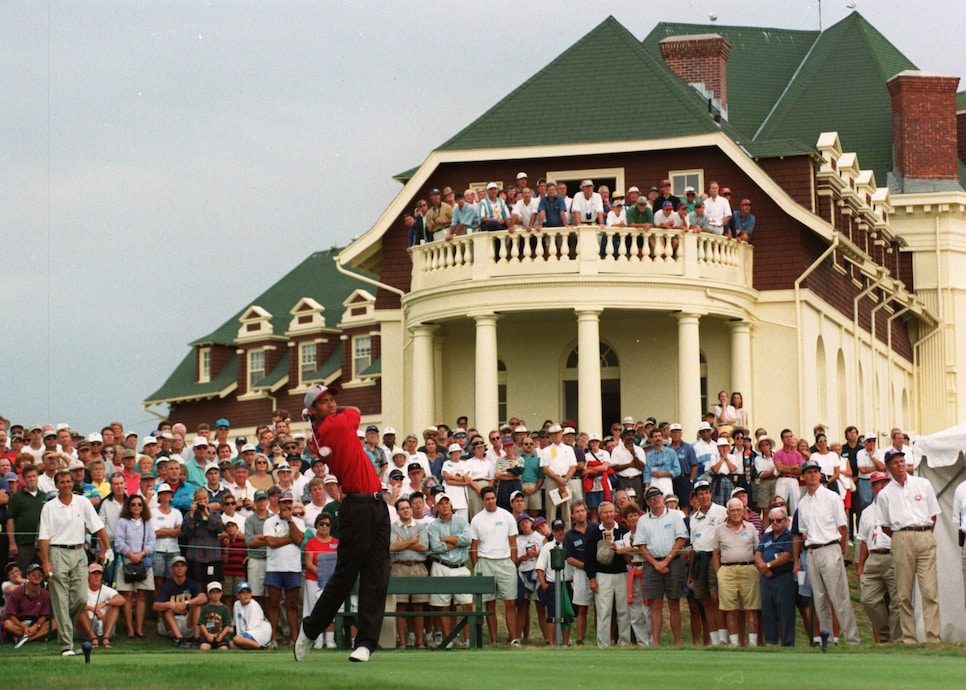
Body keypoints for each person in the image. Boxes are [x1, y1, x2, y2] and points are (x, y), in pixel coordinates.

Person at [295, 383, 390, 664]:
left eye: (333, 399)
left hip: (377, 503)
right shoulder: (333, 427)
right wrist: (316, 417)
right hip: (358, 507)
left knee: (377, 575)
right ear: (314, 411)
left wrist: (314, 415)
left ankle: (365, 644)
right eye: (324, 402)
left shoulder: (325, 428)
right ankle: (311, 629)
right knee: (346, 576)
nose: (333, 404)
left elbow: (348, 412)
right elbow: (356, 411)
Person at [38, 469, 111, 656]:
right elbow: (44, 538)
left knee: (80, 598)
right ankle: (66, 646)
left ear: (73, 483)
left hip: (79, 552)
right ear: (56, 485)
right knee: (60, 599)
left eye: (68, 481)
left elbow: (98, 527)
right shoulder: (49, 507)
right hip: (57, 552)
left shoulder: (83, 502)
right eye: (61, 482)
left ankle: (64, 624)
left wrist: (107, 549)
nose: (66, 485)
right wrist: (46, 562)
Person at [876, 449, 941, 643]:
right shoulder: (885, 494)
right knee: (904, 592)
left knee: (930, 590)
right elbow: (885, 526)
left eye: (902, 460)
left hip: (924, 534)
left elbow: (933, 515)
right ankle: (909, 638)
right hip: (901, 537)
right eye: (895, 462)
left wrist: (925, 533)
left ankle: (933, 637)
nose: (900, 465)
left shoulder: (923, 484)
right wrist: (901, 536)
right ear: (888, 468)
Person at [793, 459, 860, 645]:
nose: (813, 475)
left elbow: (843, 528)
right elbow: (803, 531)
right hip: (813, 551)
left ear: (820, 474)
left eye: (815, 471)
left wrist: (842, 552)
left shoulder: (831, 497)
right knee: (820, 599)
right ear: (803, 476)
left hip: (831, 547)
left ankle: (852, 639)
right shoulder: (803, 503)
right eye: (809, 472)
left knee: (839, 597)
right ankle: (828, 639)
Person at [634, 487, 688, 646]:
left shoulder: (675, 516)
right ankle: (655, 643)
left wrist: (665, 562)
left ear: (662, 498)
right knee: (655, 603)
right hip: (652, 564)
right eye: (652, 498)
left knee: (674, 602)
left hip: (673, 562)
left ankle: (678, 643)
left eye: (658, 496)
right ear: (647, 502)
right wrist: (656, 563)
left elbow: (681, 540)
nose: (655, 499)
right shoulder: (643, 520)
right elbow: (641, 546)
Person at [470, 486, 519, 645]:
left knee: (510, 602)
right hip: (485, 562)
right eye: (487, 499)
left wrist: (512, 562)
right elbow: (474, 546)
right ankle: (494, 640)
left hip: (505, 562)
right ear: (483, 500)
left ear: (496, 498)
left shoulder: (507, 516)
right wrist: (477, 565)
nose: (490, 501)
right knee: (489, 603)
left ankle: (513, 638)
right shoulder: (477, 519)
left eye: (492, 498)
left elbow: (513, 542)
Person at [856, 470, 901, 643]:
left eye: (884, 483)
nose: (881, 487)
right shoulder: (867, 511)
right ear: (872, 488)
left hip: (892, 553)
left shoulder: (896, 506)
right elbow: (863, 540)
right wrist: (860, 564)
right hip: (873, 556)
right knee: (868, 599)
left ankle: (897, 639)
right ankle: (884, 635)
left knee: (897, 600)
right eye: (877, 484)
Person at [713, 498, 761, 647]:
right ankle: (734, 644)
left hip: (748, 569)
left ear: (743, 511)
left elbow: (757, 551)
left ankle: (752, 644)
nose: (735, 513)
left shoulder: (751, 527)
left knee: (751, 609)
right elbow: (716, 554)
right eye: (732, 510)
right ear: (727, 512)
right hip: (727, 571)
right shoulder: (719, 529)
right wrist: (719, 573)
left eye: (738, 510)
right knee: (730, 609)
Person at [688, 479, 729, 646]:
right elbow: (693, 546)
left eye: (706, 492)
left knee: (715, 598)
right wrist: (690, 573)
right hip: (699, 559)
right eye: (700, 493)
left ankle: (723, 638)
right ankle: (713, 639)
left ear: (711, 494)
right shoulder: (693, 517)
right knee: (704, 599)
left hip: (714, 557)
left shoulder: (721, 511)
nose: (704, 496)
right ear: (696, 497)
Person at [583, 501, 630, 647]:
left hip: (622, 573)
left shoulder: (623, 531)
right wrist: (591, 578)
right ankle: (602, 643)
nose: (609, 515)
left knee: (623, 610)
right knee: (603, 611)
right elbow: (588, 559)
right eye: (605, 512)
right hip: (602, 575)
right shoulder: (593, 533)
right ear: (600, 515)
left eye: (611, 512)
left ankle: (625, 643)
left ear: (615, 512)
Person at [264, 489, 305, 648]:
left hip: (292, 568)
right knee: (273, 604)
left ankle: (294, 638)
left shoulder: (298, 522)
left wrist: (290, 521)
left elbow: (300, 540)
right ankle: (273, 638)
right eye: (284, 502)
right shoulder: (270, 521)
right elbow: (271, 543)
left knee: (292, 605)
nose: (286, 505)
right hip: (274, 568)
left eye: (289, 502)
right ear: (278, 503)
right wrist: (290, 539)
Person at [390, 496, 429, 648]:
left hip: (418, 566)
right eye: (402, 508)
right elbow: (392, 547)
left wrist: (403, 544)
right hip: (399, 567)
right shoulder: (393, 527)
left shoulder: (420, 527)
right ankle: (403, 642)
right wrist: (413, 541)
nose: (406, 510)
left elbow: (424, 547)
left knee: (419, 606)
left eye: (407, 507)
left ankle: (420, 642)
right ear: (398, 511)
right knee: (400, 606)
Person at [115, 493, 156, 639]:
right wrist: (132, 554)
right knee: (127, 595)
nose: (136, 507)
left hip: (143, 561)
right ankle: (130, 628)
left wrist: (142, 554)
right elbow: (119, 542)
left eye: (139, 504)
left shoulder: (147, 522)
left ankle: (139, 628)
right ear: (129, 506)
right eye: (133, 504)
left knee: (141, 596)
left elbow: (152, 542)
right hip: (127, 561)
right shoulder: (123, 522)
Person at [755, 506, 795, 646]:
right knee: (768, 611)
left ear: (785, 520)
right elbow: (758, 553)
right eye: (772, 520)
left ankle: (788, 643)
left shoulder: (789, 536)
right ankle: (771, 642)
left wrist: (769, 565)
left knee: (785, 611)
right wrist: (763, 567)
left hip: (782, 577)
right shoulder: (767, 536)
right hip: (766, 577)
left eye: (779, 520)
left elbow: (787, 556)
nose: (775, 523)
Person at [153, 555, 207, 647]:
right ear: (172, 569)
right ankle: (180, 640)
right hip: (170, 625)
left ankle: (197, 639)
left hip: (187, 622)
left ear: (186, 568)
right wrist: (171, 605)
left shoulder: (192, 583)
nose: (179, 568)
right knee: (167, 608)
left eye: (182, 566)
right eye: (177, 566)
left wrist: (186, 603)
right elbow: (155, 606)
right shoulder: (167, 586)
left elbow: (203, 598)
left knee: (197, 605)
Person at [303, 513, 339, 649]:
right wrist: (323, 575)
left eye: (327, 524)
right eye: (321, 524)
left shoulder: (336, 543)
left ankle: (329, 640)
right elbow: (308, 563)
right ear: (317, 525)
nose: (324, 527)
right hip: (314, 580)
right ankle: (316, 640)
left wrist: (331, 578)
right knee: (314, 610)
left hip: (332, 582)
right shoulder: (311, 543)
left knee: (331, 609)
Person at [181, 488, 225, 587]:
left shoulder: (214, 514)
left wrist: (207, 514)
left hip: (212, 556)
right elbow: (185, 532)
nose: (202, 501)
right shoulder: (189, 515)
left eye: (204, 498)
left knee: (213, 585)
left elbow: (220, 528)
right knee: (196, 585)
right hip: (195, 556)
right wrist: (192, 514)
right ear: (195, 501)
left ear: (208, 499)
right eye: (199, 499)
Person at [2, 563, 53, 646]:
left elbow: (44, 615)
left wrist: (36, 626)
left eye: (40, 575)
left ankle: (27, 639)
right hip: (20, 622)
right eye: (34, 575)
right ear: (28, 576)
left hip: (36, 622)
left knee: (55, 623)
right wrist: (23, 627)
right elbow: (11, 615)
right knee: (7, 624)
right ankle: (36, 636)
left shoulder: (45, 594)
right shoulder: (16, 592)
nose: (37, 577)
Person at [6, 464, 45, 572]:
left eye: (34, 476)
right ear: (23, 479)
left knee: (43, 573)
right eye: (28, 476)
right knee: (23, 573)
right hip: (23, 544)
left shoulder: (45, 496)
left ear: (38, 477)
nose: (31, 479)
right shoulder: (17, 497)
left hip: (42, 544)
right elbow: (10, 521)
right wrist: (12, 543)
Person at [76, 562, 124, 648]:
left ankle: (106, 638)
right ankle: (93, 638)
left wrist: (105, 603)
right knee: (79, 608)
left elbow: (121, 600)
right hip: (86, 625)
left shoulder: (107, 590)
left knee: (114, 606)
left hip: (104, 623)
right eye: (93, 573)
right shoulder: (81, 589)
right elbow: (73, 603)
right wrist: (92, 608)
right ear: (88, 575)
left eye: (99, 573)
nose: (96, 576)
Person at [231, 581, 274, 649]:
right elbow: (236, 623)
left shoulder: (253, 605)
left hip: (260, 631)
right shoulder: (236, 604)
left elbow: (252, 627)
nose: (246, 595)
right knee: (232, 645)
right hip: (249, 633)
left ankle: (262, 647)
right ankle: (254, 647)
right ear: (238, 596)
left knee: (236, 639)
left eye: (248, 592)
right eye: (243, 593)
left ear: (251, 594)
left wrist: (239, 637)